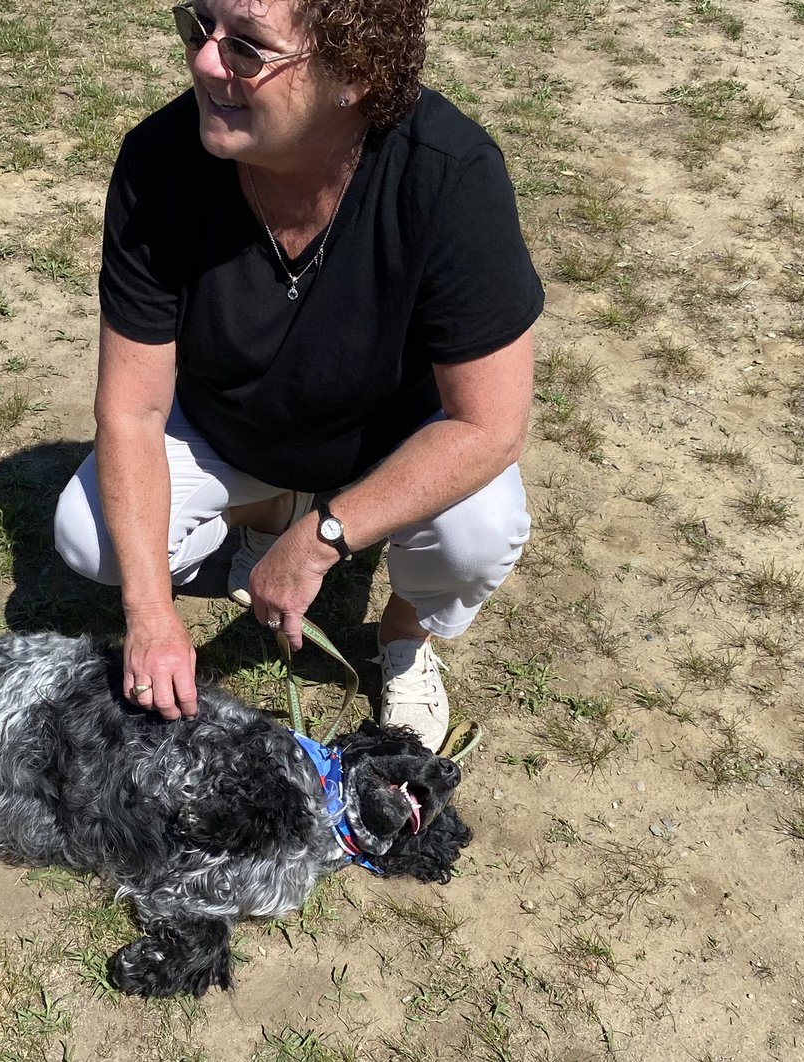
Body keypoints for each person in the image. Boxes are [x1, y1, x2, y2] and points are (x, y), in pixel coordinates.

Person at [54, 0, 542, 751]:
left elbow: (489, 425)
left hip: (392, 440)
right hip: (229, 429)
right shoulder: (159, 163)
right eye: (198, 28)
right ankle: (263, 520)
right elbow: (132, 412)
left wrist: (322, 540)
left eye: (248, 48)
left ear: (353, 76)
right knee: (90, 537)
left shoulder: (449, 175)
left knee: (480, 532)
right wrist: (150, 615)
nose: (207, 62)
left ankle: (405, 638)